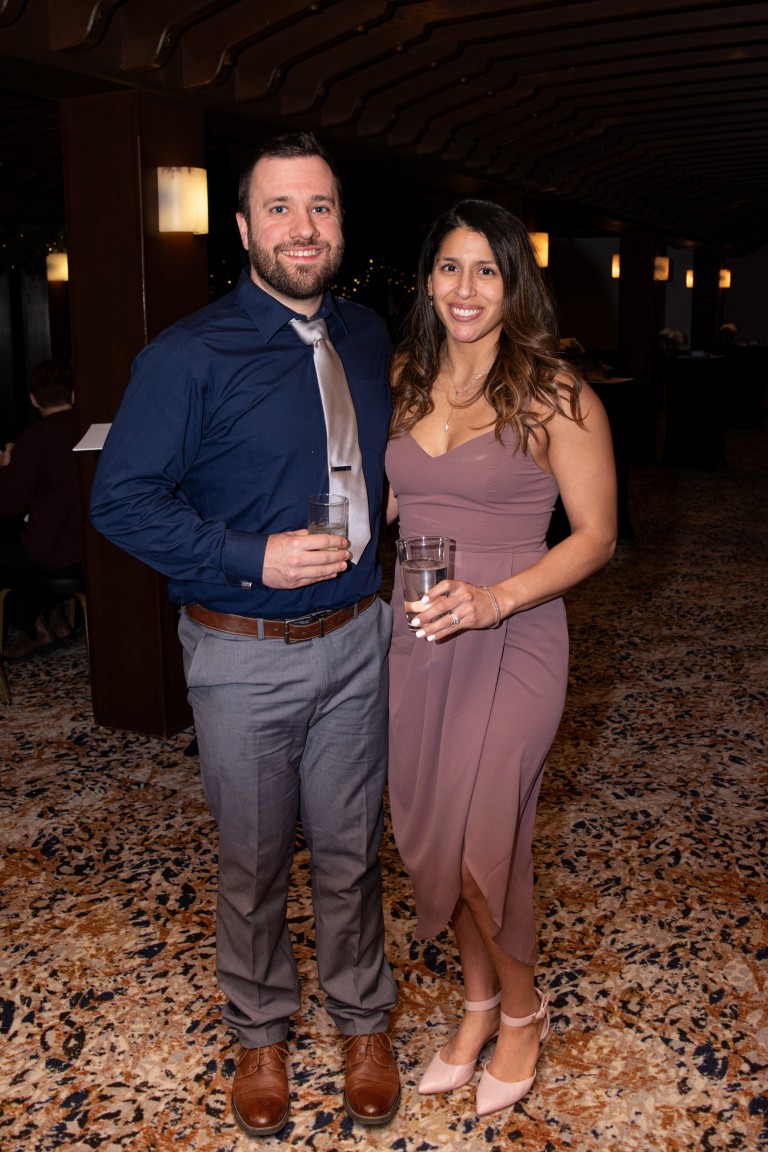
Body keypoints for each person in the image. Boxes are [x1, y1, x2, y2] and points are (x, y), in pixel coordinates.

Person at [90, 132, 400, 1137]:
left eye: (319, 208)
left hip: (359, 639)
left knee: (351, 855)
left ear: (340, 223)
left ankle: (364, 1021)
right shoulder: (184, 355)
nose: (302, 229)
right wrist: (247, 554)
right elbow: (120, 501)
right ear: (243, 228)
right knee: (256, 860)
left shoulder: (364, 334)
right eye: (279, 209)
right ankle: (260, 1029)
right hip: (240, 652)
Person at [386, 200, 616, 1118]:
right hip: (416, 633)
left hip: (514, 630)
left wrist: (497, 598)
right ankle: (477, 1004)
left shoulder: (553, 390)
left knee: (483, 843)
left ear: (513, 282)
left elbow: (596, 537)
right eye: (450, 268)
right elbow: (390, 503)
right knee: (434, 834)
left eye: (486, 270)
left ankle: (522, 1012)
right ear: (429, 281)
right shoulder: (405, 376)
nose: (466, 288)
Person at [0, 360, 81, 657]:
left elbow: (8, 505)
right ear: (73, 395)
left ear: (33, 399)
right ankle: (53, 620)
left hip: (56, 552)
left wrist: (6, 467)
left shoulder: (33, 440)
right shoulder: (93, 429)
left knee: (13, 552)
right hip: (95, 550)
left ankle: (35, 628)